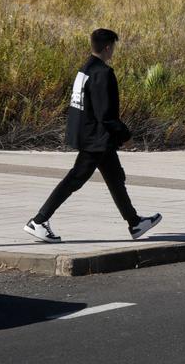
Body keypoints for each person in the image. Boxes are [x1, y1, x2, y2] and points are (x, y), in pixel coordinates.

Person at [24, 28, 161, 243]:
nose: (113, 51)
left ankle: (134, 223)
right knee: (75, 179)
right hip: (95, 139)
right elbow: (105, 114)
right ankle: (39, 220)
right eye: (113, 47)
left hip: (92, 136)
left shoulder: (86, 68)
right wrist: (125, 135)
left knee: (115, 179)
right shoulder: (102, 73)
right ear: (108, 47)